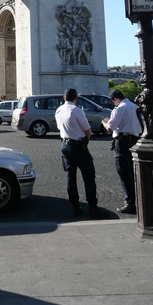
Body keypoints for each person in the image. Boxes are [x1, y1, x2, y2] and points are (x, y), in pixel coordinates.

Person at [55, 88, 107, 219]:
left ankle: (75, 207)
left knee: (70, 177)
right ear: (75, 98)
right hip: (78, 146)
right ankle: (93, 208)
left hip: (64, 145)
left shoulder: (58, 110)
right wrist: (84, 141)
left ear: (64, 97)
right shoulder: (77, 110)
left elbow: (59, 127)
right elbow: (88, 131)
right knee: (89, 176)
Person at [102, 90, 142, 214]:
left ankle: (130, 202)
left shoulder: (119, 109)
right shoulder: (135, 107)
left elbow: (111, 127)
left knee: (124, 172)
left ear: (115, 99)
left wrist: (104, 122)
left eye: (113, 102)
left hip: (123, 142)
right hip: (135, 140)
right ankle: (139, 200)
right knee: (134, 171)